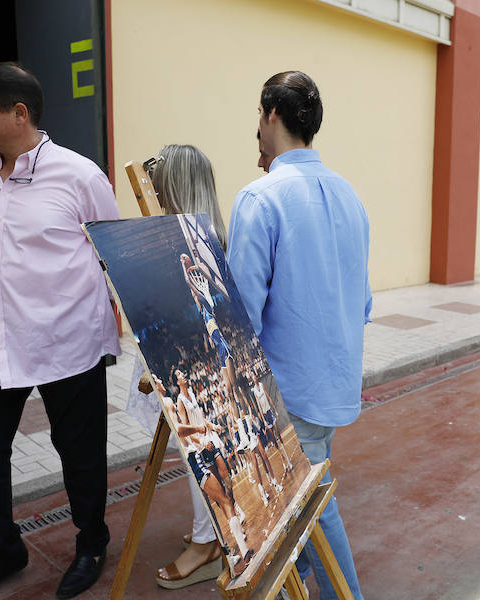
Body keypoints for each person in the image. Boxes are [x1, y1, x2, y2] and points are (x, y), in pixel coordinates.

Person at [0, 62, 120, 600]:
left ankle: (91, 542)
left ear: (18, 114)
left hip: (68, 342)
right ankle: (1, 552)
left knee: (81, 454)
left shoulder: (80, 176)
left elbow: (112, 252)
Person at [227, 71, 370, 600]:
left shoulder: (261, 196)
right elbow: (363, 295)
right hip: (333, 379)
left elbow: (242, 312)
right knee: (307, 493)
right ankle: (301, 584)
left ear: (269, 115)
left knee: (308, 504)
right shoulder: (348, 192)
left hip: (286, 388)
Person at [125, 144, 234, 589]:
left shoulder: (194, 244)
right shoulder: (208, 236)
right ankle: (209, 531)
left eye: (159, 180)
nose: (151, 189)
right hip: (183, 368)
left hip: (193, 376)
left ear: (176, 185)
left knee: (196, 453)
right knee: (194, 453)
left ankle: (208, 544)